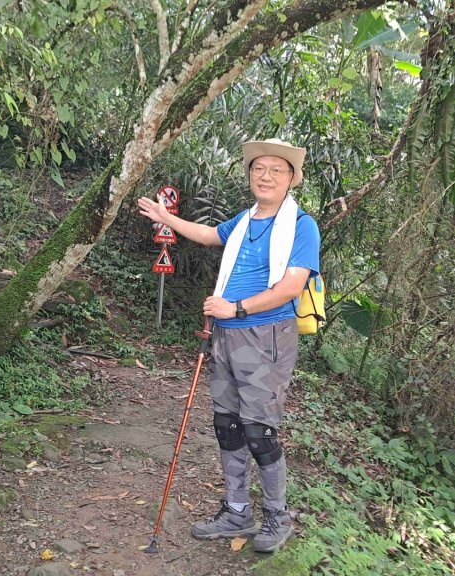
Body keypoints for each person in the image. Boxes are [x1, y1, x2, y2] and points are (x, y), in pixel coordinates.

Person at [137, 139, 320, 553]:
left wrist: (235, 308)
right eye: (259, 168)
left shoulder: (301, 225)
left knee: (259, 431)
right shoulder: (245, 219)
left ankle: (277, 517)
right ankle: (237, 511)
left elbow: (291, 287)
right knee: (228, 425)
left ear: (291, 178)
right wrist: (167, 217)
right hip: (226, 334)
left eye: (276, 169)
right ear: (250, 174)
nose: (266, 176)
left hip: (266, 335)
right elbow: (208, 235)